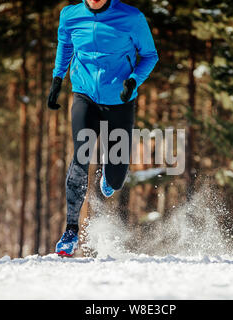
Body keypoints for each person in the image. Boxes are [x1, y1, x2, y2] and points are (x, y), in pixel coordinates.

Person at [48, 0, 158, 256]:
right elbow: (65, 46)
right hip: (84, 94)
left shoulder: (131, 17)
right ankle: (71, 230)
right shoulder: (70, 15)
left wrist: (133, 80)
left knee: (116, 180)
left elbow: (150, 56)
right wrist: (57, 78)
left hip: (120, 99)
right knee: (81, 152)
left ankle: (110, 177)